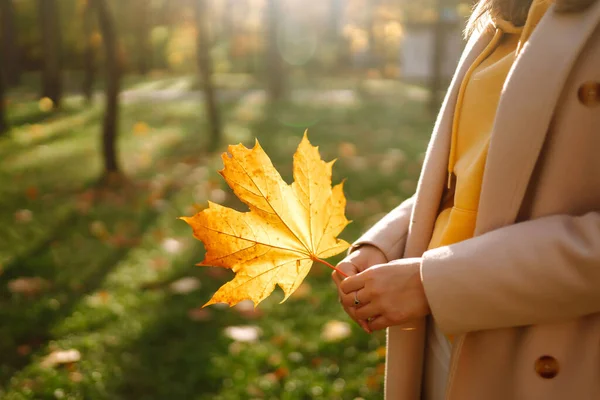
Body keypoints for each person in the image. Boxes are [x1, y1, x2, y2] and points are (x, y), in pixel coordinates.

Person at [331, 0, 600, 398]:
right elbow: (469, 181)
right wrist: (385, 245)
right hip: (438, 327)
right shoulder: (496, 21)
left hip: (554, 345)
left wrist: (435, 283)